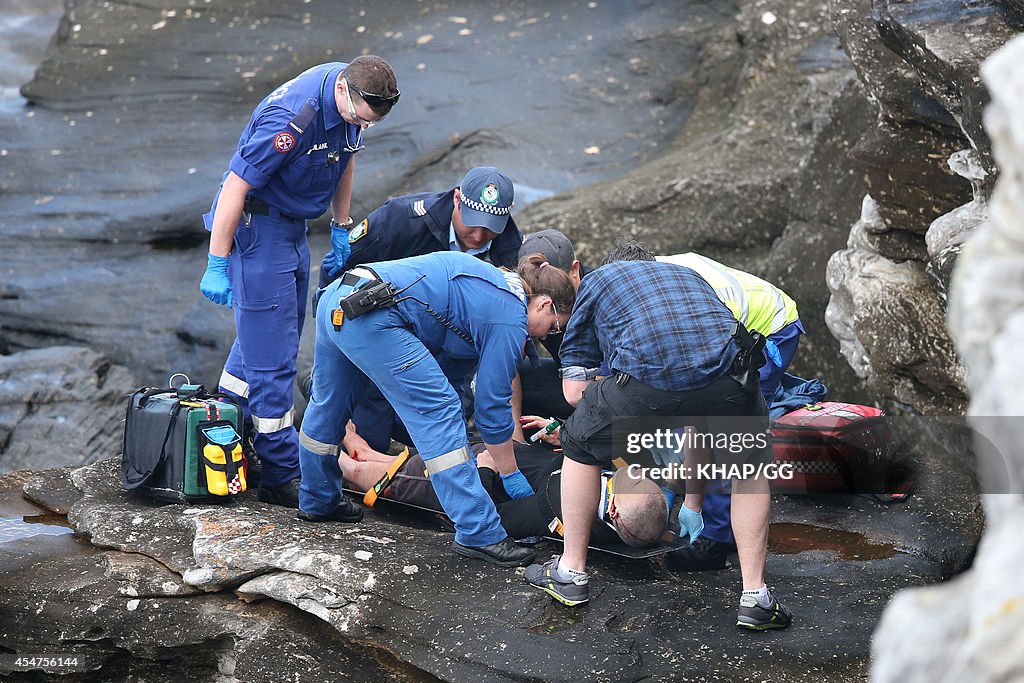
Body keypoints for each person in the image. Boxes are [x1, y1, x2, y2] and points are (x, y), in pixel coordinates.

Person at [523, 259, 792, 631]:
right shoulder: (687, 275)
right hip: (732, 378)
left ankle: (570, 574)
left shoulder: (597, 282)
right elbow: (701, 384)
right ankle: (756, 597)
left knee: (579, 444)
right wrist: (693, 503)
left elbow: (573, 391)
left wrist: (627, 428)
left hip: (647, 379)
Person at [198, 57, 399, 509]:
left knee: (266, 342)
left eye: (369, 123)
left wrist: (342, 225)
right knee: (275, 363)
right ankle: (282, 473)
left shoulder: (353, 105)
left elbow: (345, 156)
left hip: (291, 227)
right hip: (257, 228)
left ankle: (231, 433)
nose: (360, 126)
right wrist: (217, 259)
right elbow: (235, 186)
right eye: (358, 117)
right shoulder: (291, 118)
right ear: (344, 92)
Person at [298, 251, 576, 567]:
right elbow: (492, 405)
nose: (544, 338)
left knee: (329, 405)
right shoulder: (509, 316)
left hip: (340, 298)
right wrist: (509, 471)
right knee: (439, 410)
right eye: (552, 327)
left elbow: (452, 370)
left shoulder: (491, 286)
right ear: (543, 304)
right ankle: (479, 532)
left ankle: (318, 498)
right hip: (372, 315)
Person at [603, 239, 804, 573]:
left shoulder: (684, 299)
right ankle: (690, 499)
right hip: (725, 329)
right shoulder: (637, 284)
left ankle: (715, 537)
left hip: (767, 328)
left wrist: (693, 502)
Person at [310, 167, 525, 454]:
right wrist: (332, 348)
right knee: (369, 432)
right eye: (473, 223)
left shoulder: (509, 247)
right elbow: (337, 275)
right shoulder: (400, 220)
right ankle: (315, 386)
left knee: (449, 429)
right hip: (383, 332)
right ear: (457, 200)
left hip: (451, 350)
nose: (478, 235)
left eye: (490, 228)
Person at [337, 426, 669, 548]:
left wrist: (484, 472)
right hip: (496, 455)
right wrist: (563, 435)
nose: (615, 477)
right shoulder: (609, 494)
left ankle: (315, 454)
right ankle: (361, 448)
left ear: (611, 510)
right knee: (391, 459)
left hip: (460, 481)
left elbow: (493, 518)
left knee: (364, 472)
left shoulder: (555, 514)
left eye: (618, 486)